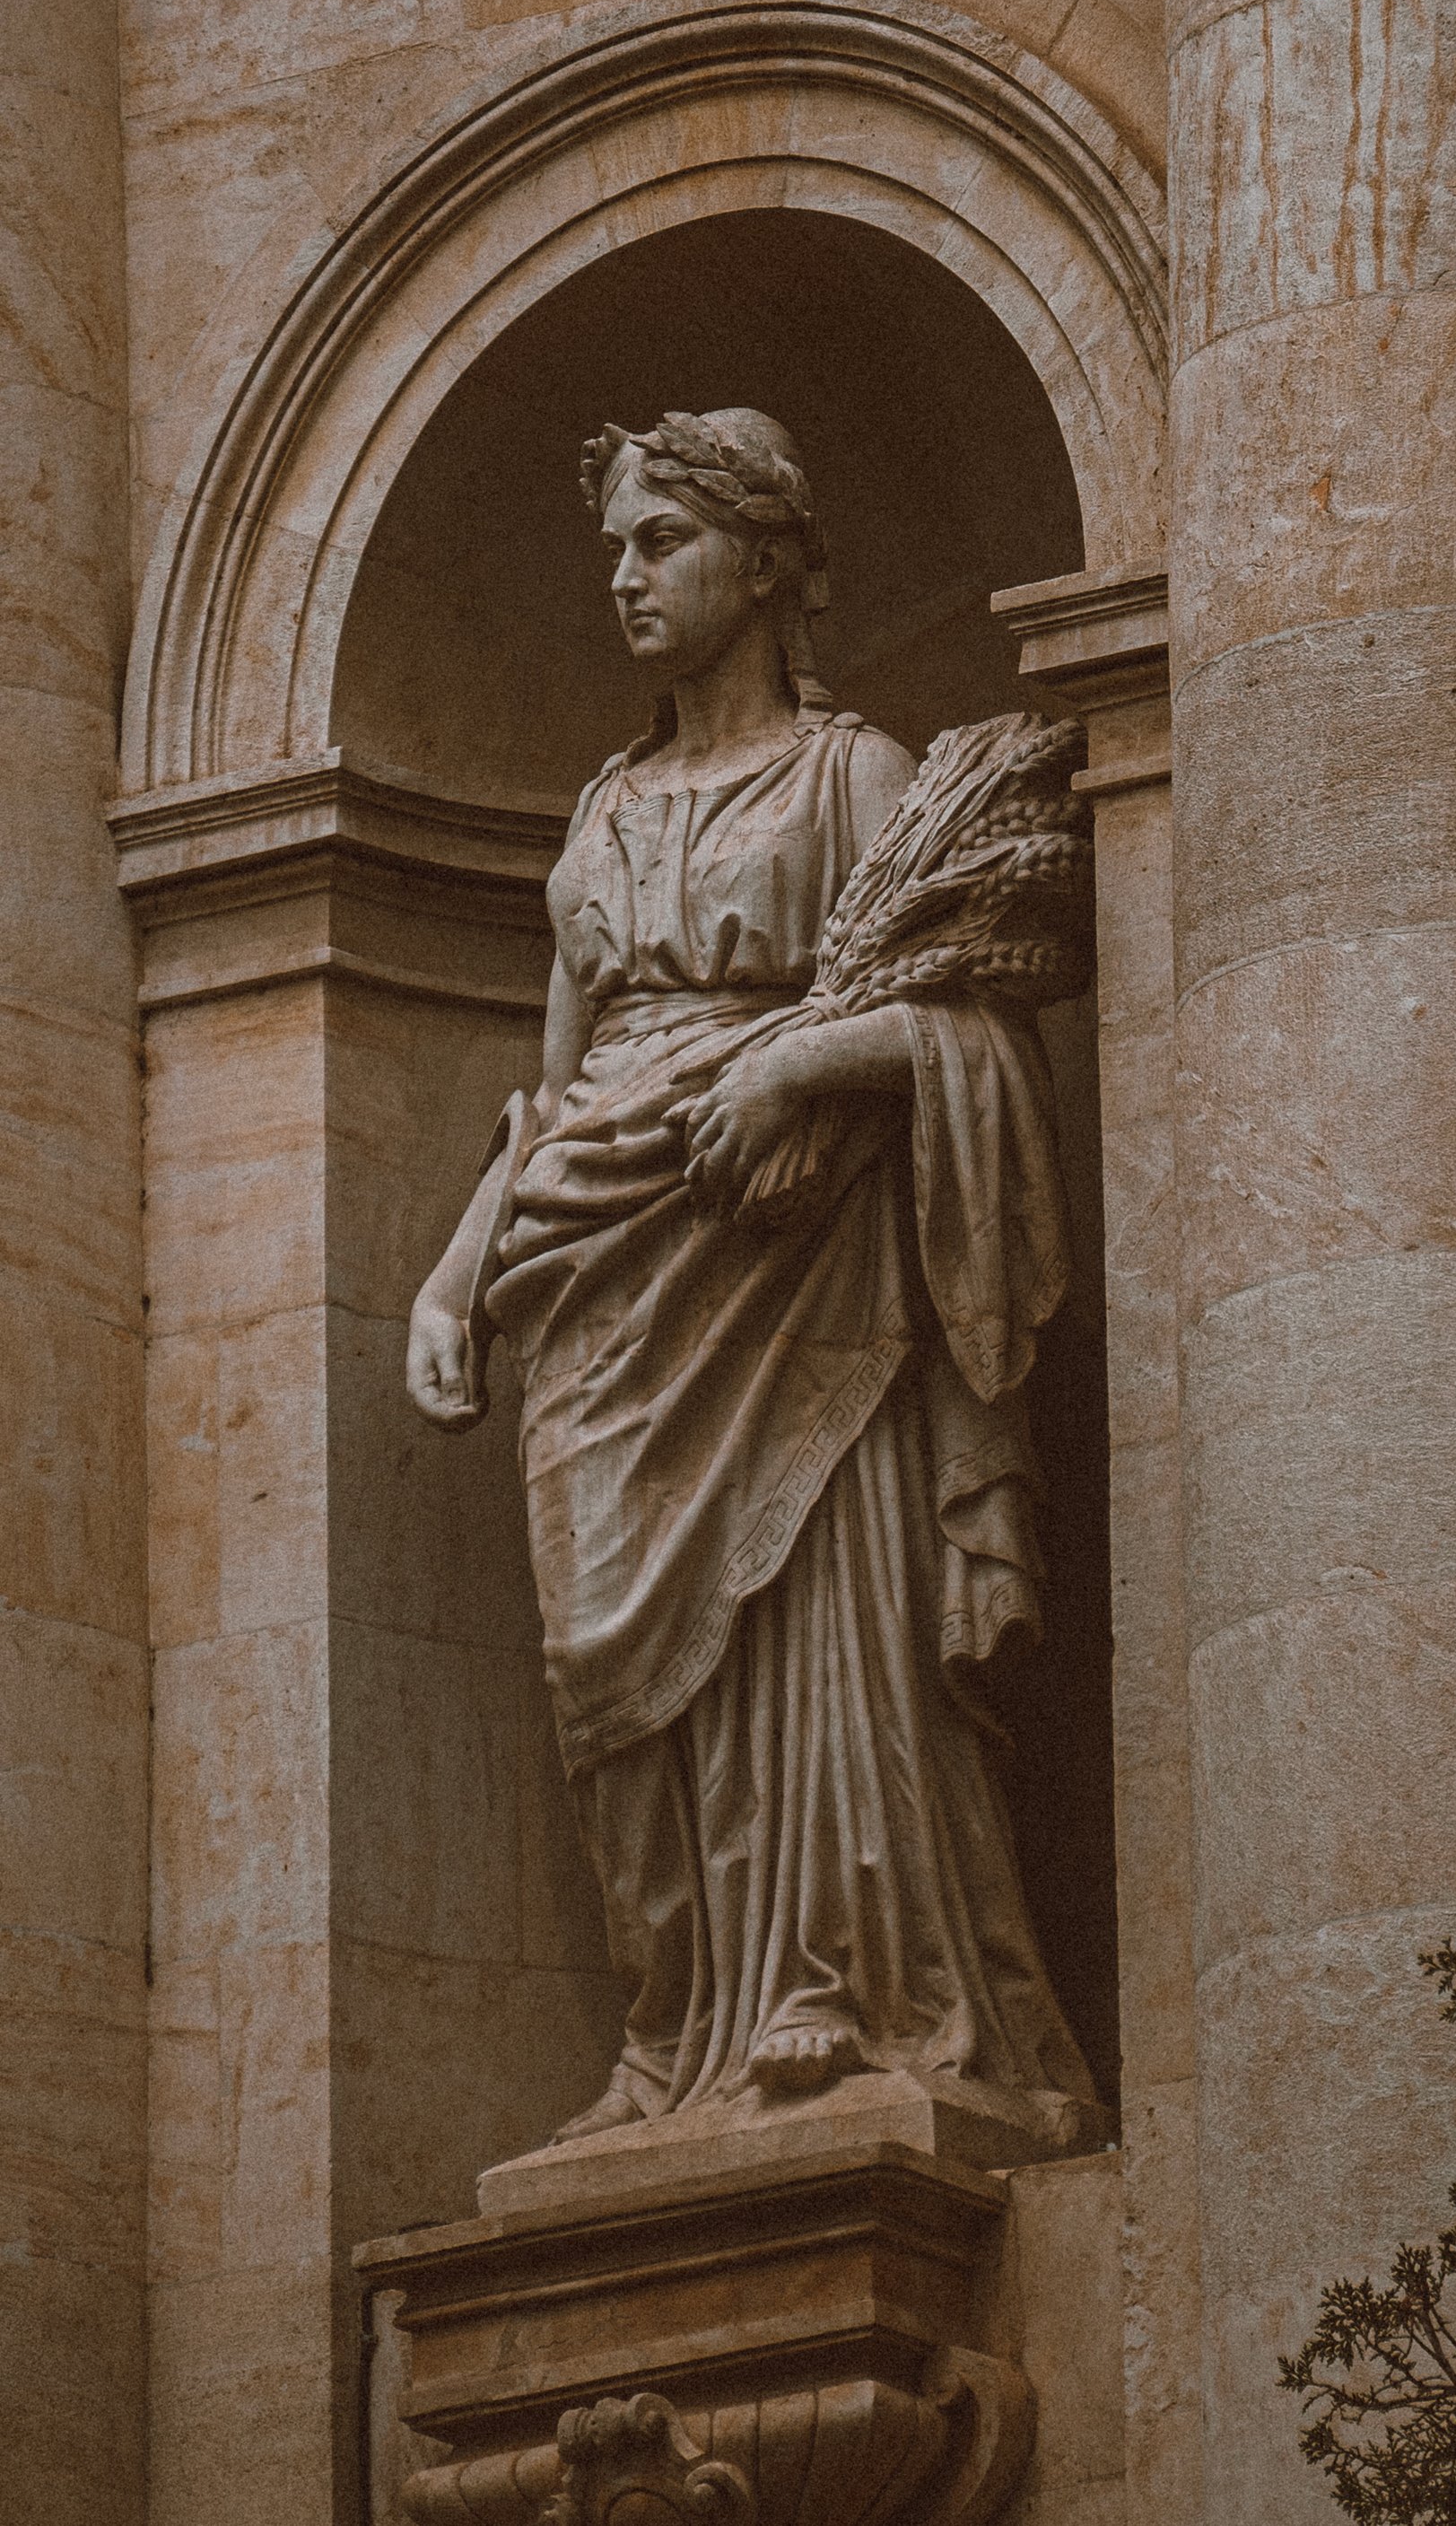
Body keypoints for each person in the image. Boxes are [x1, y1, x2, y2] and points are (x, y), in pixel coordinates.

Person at [405, 407, 1094, 2139]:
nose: (626, 579)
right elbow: (558, 1086)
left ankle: (839, 1993)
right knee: (604, 1653)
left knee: (811, 1615)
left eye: (662, 542)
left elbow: (973, 1021)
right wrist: (452, 1269)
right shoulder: (602, 803)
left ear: (766, 558)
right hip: (598, 1255)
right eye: (620, 549)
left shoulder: (856, 777)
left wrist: (807, 1066)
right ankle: (670, 2027)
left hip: (796, 1263)